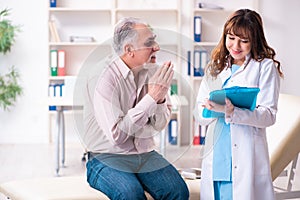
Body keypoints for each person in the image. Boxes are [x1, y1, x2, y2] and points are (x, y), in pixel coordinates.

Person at [81, 17, 189, 200]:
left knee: (178, 191)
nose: (156, 47)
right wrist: (151, 98)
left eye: (154, 40)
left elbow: (159, 125)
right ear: (129, 50)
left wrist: (161, 99)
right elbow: (117, 136)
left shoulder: (152, 71)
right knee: (131, 194)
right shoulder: (102, 77)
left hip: (143, 154)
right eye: (149, 43)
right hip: (105, 157)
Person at [194, 9, 283, 200]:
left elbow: (268, 115)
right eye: (231, 37)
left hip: (244, 152)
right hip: (217, 151)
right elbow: (199, 113)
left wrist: (233, 112)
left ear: (255, 40)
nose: (235, 46)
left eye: (244, 41)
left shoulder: (265, 67)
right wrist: (208, 109)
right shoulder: (215, 67)